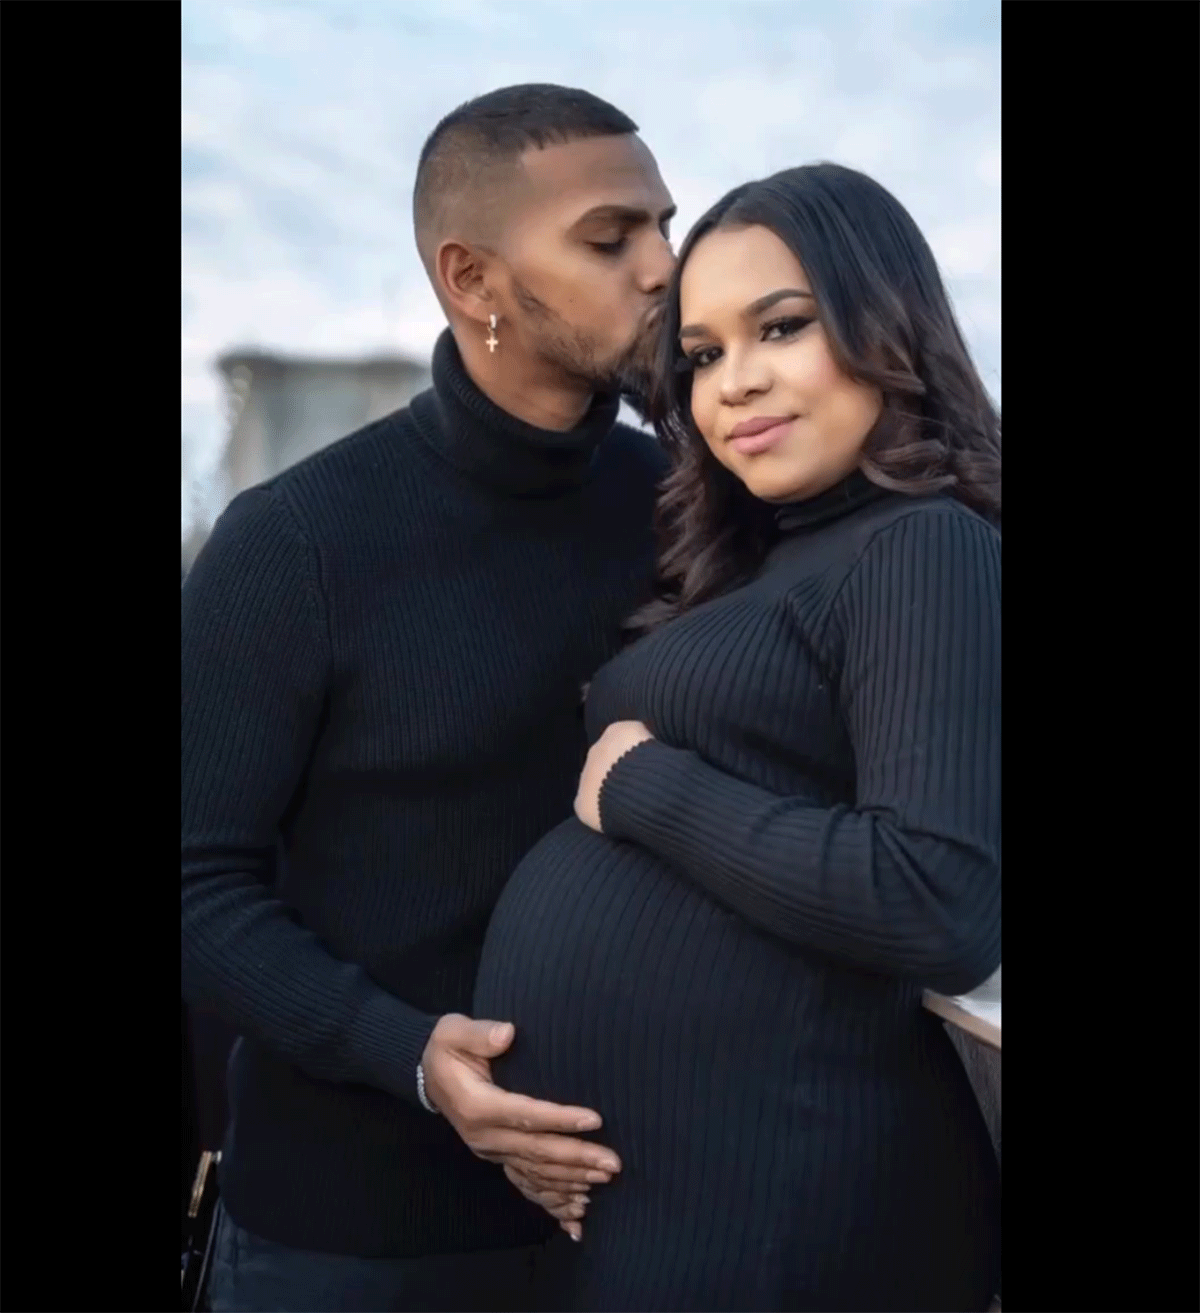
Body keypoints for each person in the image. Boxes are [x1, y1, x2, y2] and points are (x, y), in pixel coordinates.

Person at [473, 162, 1002, 1312]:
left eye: (782, 326)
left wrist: (649, 787)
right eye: (703, 355)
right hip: (690, 1195)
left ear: (886, 317)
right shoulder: (767, 560)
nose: (735, 384)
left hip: (789, 1196)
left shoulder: (923, 546)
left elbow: (936, 897)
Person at [181, 83, 676, 1313]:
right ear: (473, 277)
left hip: (640, 1214)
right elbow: (196, 882)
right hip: (353, 1240)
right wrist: (407, 1056)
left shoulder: (684, 507)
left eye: (667, 225)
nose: (665, 266)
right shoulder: (293, 542)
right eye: (612, 238)